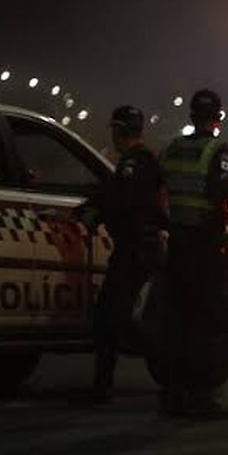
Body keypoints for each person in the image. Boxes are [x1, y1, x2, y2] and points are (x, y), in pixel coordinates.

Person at [157, 89, 228, 420]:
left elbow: (159, 184)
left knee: (176, 320)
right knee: (208, 319)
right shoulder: (217, 150)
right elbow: (225, 186)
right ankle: (202, 396)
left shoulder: (172, 149)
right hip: (205, 246)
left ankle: (173, 393)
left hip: (176, 242)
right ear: (218, 118)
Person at [75, 105, 168, 405]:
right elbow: (114, 195)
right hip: (136, 248)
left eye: (116, 130)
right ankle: (106, 386)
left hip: (136, 250)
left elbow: (120, 201)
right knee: (115, 319)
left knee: (113, 319)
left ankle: (169, 371)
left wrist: (93, 214)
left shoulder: (135, 164)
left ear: (121, 131)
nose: (114, 136)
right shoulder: (139, 162)